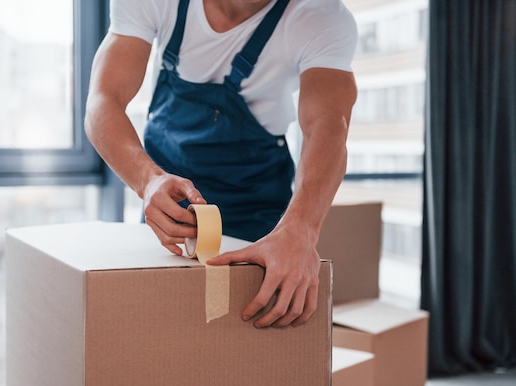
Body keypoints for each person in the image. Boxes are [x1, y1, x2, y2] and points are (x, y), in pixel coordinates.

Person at [84, 0, 358, 329]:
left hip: (260, 216)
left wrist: (302, 229)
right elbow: (103, 99)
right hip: (172, 204)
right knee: (165, 327)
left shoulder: (319, 16)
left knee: (241, 336)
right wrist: (148, 181)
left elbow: (329, 126)